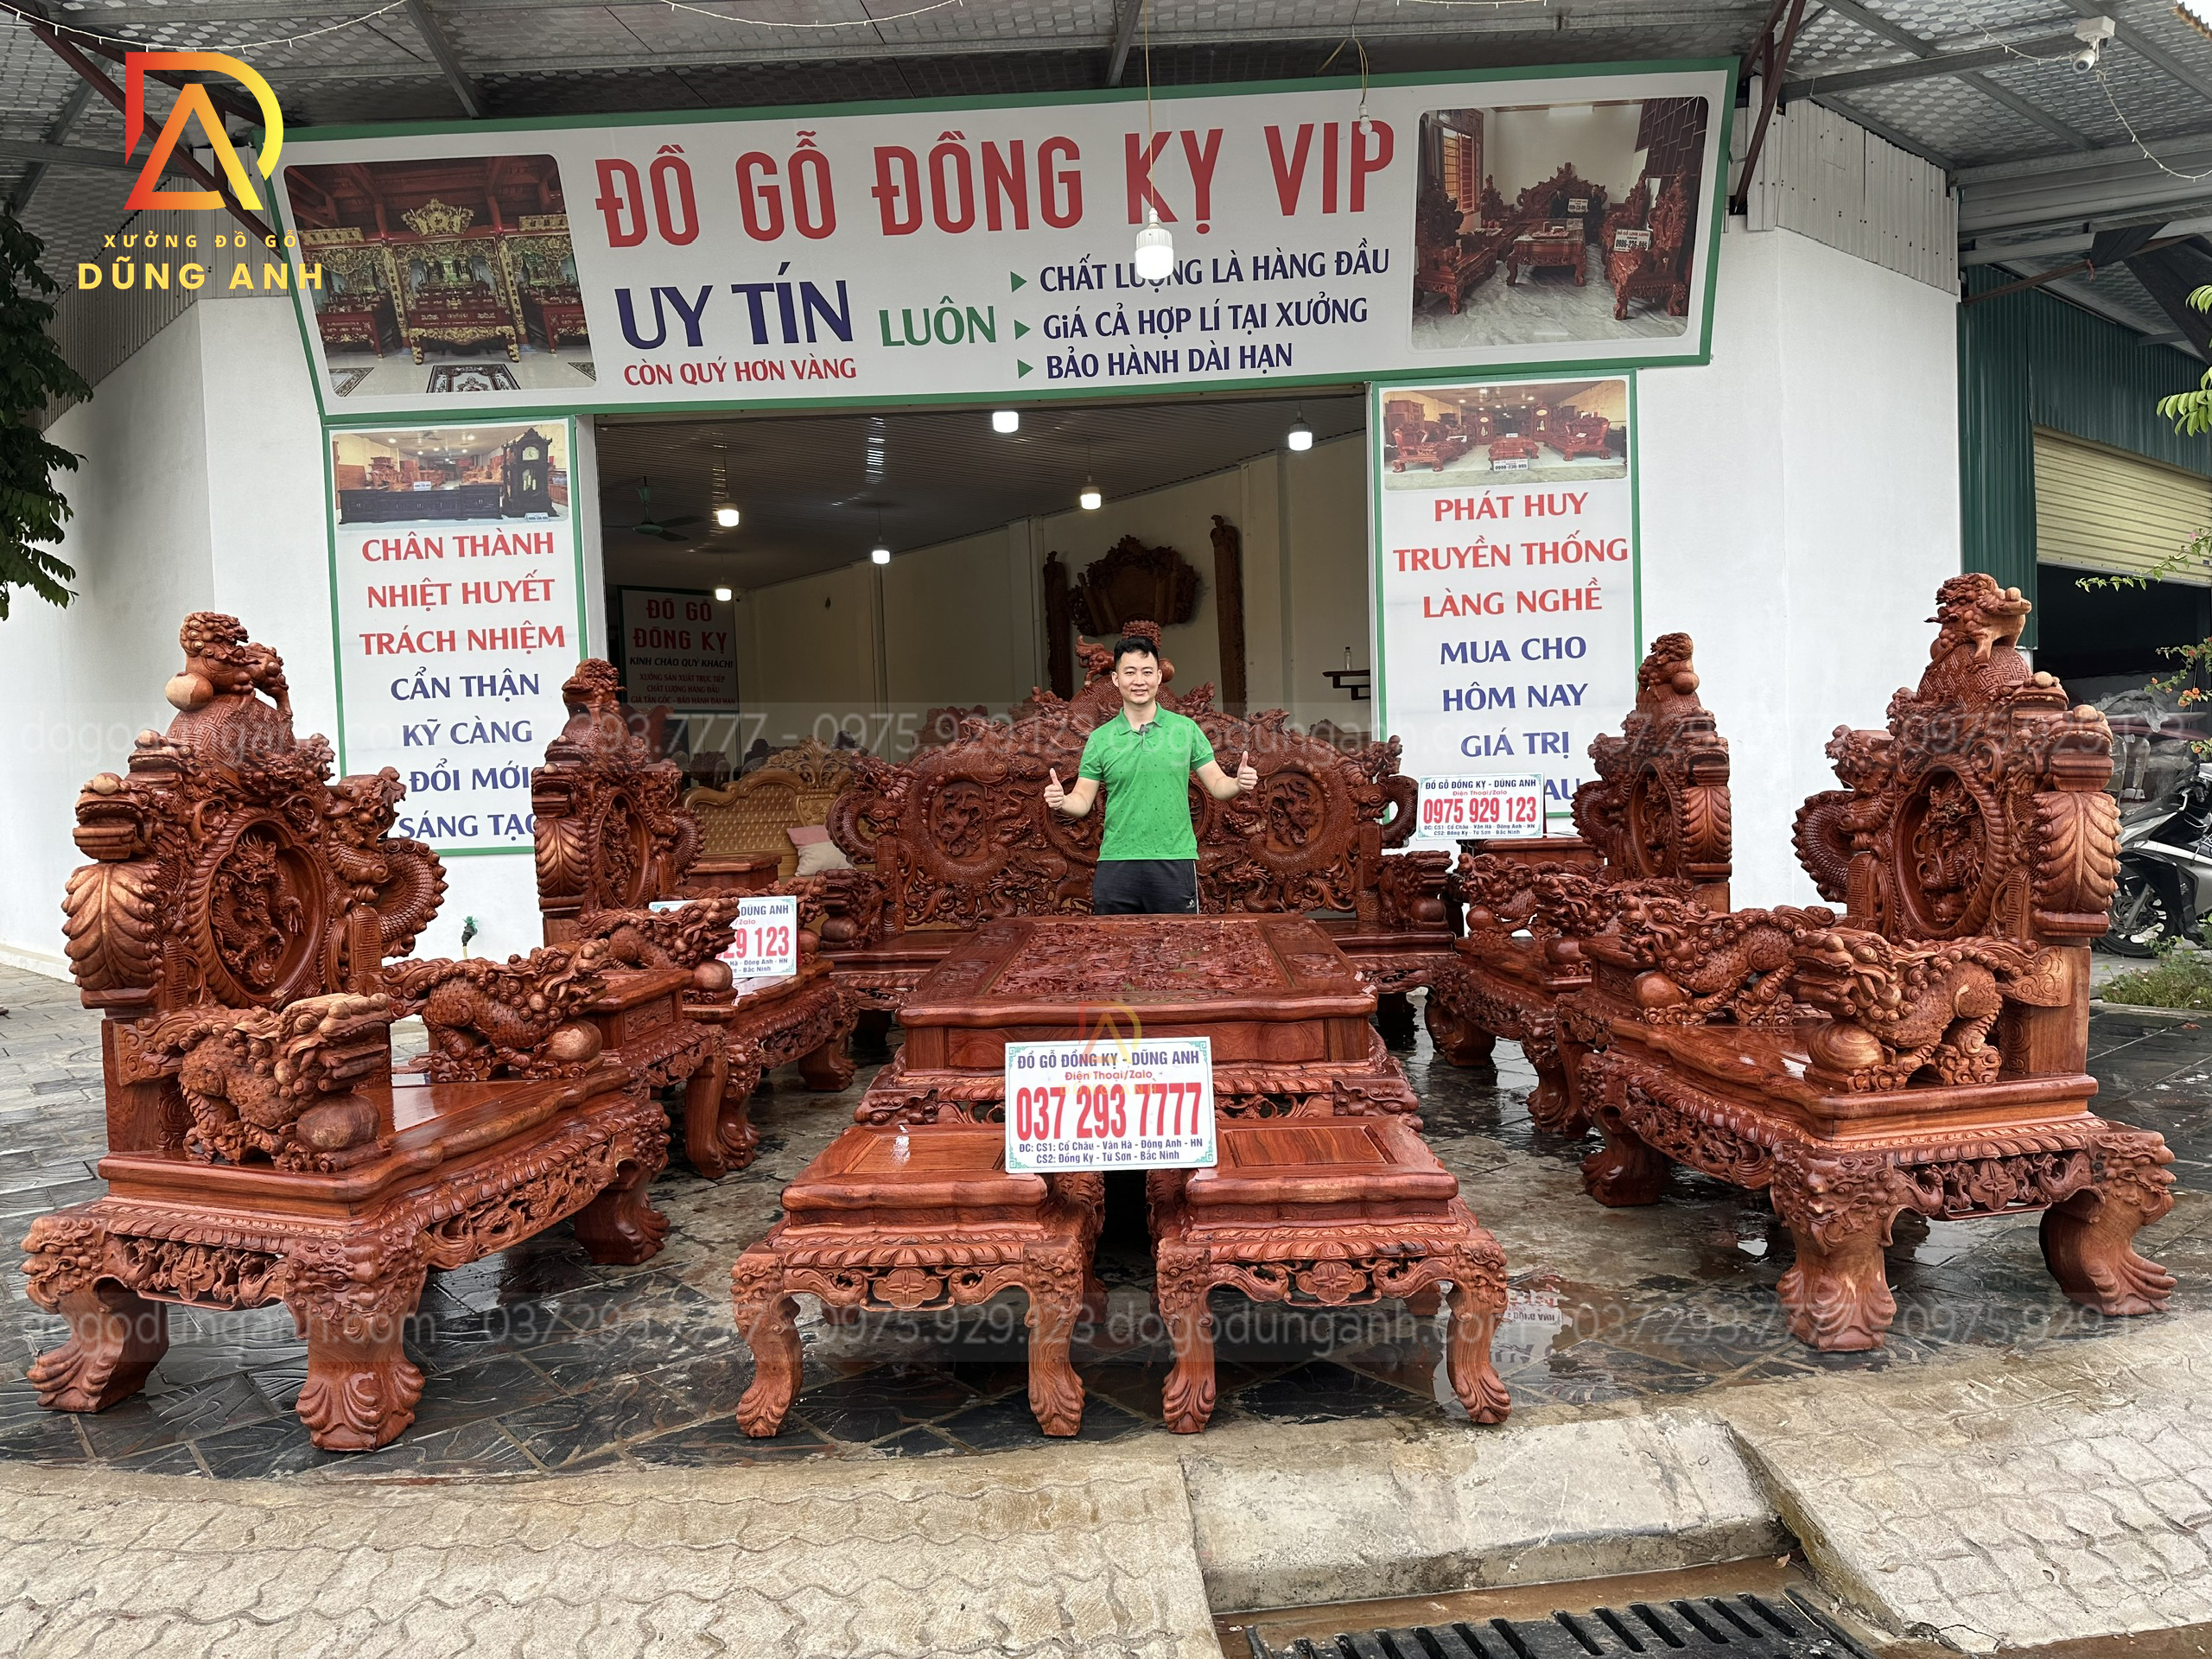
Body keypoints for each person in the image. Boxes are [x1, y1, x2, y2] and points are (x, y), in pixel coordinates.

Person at [1044, 634, 1258, 914]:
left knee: (1179, 942)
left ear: (1158, 677)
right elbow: (1082, 801)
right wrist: (1062, 801)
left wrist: (1238, 783)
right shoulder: (1101, 739)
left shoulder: (1185, 730)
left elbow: (1218, 785)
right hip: (1117, 863)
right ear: (1116, 679)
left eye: (1147, 672)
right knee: (1113, 943)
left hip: (1174, 860)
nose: (1139, 681)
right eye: (1130, 672)